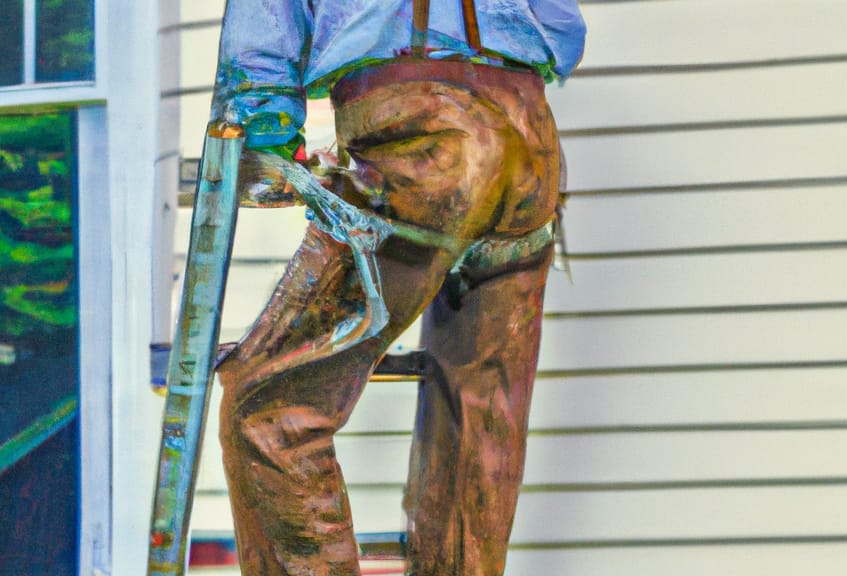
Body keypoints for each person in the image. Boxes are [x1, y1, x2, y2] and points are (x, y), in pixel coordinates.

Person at [210, 1, 586, 574]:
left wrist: (262, 129)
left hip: (418, 129)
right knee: (479, 419)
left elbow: (262, 50)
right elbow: (561, 30)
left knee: (268, 407)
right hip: (529, 138)